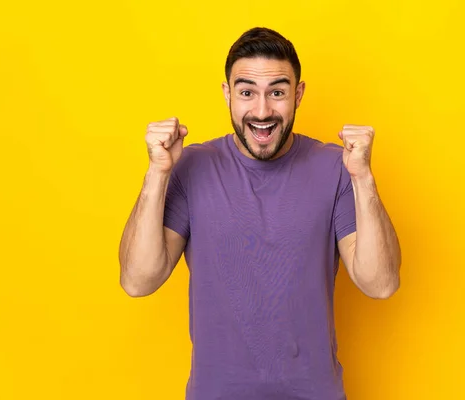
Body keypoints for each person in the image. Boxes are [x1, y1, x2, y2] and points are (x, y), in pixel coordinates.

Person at [119, 27, 401, 400]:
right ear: (227, 95)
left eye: (278, 92)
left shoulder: (337, 168)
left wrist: (363, 177)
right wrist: (157, 172)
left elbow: (380, 283)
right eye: (247, 92)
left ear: (298, 95)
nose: (263, 111)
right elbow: (138, 281)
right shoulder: (190, 167)